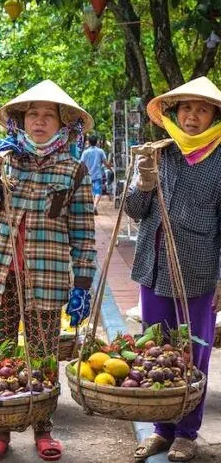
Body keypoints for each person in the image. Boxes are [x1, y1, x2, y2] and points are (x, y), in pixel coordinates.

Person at [0, 79, 97, 462]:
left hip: (48, 273)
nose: (39, 122)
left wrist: (84, 283)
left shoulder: (73, 170)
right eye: (32, 115)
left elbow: (84, 231)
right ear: (20, 121)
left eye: (48, 116)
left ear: (62, 124)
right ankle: (0, 427)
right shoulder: (1, 157)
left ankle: (43, 426)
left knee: (42, 354)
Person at [125, 76, 221, 462]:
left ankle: (186, 432)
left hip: (198, 272)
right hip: (153, 265)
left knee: (192, 355)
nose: (192, 116)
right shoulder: (158, 152)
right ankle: (161, 430)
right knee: (156, 349)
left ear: (214, 116)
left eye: (202, 109)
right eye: (186, 108)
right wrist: (144, 184)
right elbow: (133, 211)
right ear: (174, 114)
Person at [81, 134, 110, 214]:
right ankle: (94, 206)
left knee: (88, 192)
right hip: (97, 175)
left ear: (89, 142)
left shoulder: (85, 152)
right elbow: (105, 162)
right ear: (96, 142)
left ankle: (90, 207)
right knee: (98, 192)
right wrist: (110, 168)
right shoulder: (100, 151)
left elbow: (82, 164)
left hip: (87, 176)